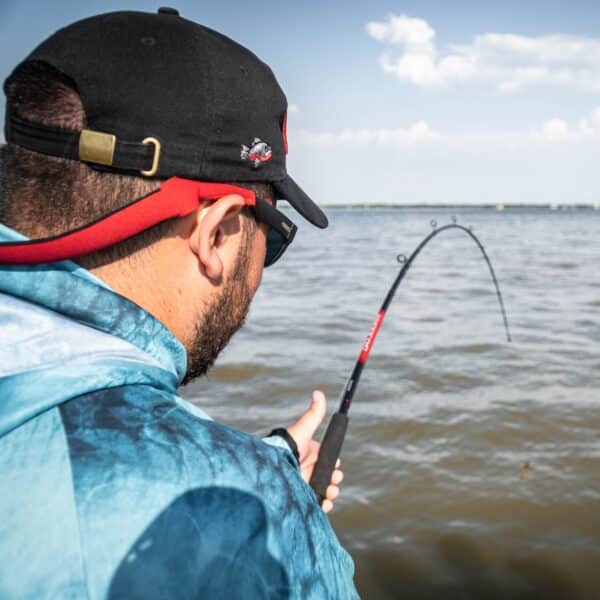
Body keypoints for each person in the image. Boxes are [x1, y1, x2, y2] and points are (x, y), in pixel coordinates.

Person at [0, 8, 359, 599]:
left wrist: (271, 460)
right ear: (216, 232)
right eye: (273, 237)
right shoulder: (255, 514)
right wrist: (277, 506)